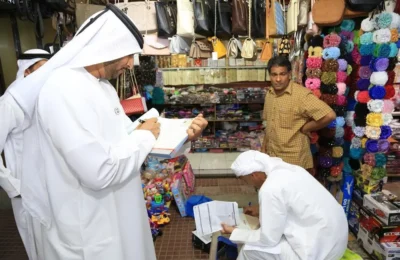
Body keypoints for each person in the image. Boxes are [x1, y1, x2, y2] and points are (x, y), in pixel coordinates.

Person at [8, 5, 207, 260]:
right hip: (90, 230)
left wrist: (182, 134)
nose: (130, 63)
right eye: (127, 55)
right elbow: (101, 170)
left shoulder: (102, 88)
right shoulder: (62, 90)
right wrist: (144, 135)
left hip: (118, 215)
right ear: (106, 47)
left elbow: (126, 135)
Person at [221, 150, 348, 260]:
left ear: (253, 175)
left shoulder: (269, 188)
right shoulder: (290, 170)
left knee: (249, 250)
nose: (249, 185)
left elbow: (268, 239)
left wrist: (235, 232)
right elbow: (294, 201)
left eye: (245, 180)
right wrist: (261, 209)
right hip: (336, 241)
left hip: (321, 252)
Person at [0, 48, 50, 260]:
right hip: (24, 189)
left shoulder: (41, 97)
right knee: (36, 245)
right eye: (42, 70)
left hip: (47, 185)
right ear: (27, 71)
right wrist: (13, 186)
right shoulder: (9, 102)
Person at [261, 56, 336, 172]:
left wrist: (306, 128)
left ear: (290, 74)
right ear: (269, 76)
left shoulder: (301, 95)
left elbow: (329, 115)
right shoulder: (269, 94)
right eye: (274, 75)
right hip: (272, 159)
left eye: (282, 74)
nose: (278, 79)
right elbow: (269, 125)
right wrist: (263, 149)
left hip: (293, 161)